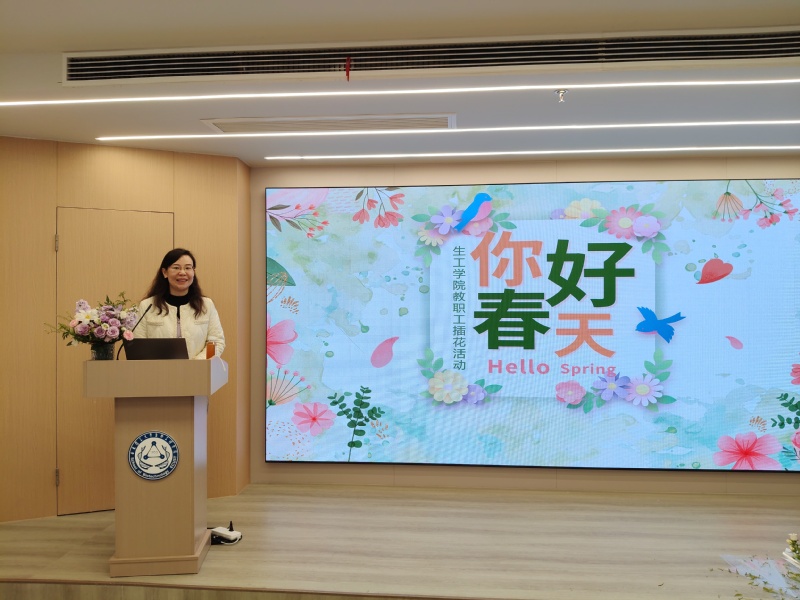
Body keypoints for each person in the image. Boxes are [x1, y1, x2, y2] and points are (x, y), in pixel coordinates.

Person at [134, 248, 225, 359]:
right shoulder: (147, 306)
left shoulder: (206, 305)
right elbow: (139, 346)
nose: (182, 273)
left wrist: (197, 363)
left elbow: (216, 342)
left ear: (193, 272)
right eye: (176, 268)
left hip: (197, 368)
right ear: (165, 272)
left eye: (188, 268)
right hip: (158, 369)